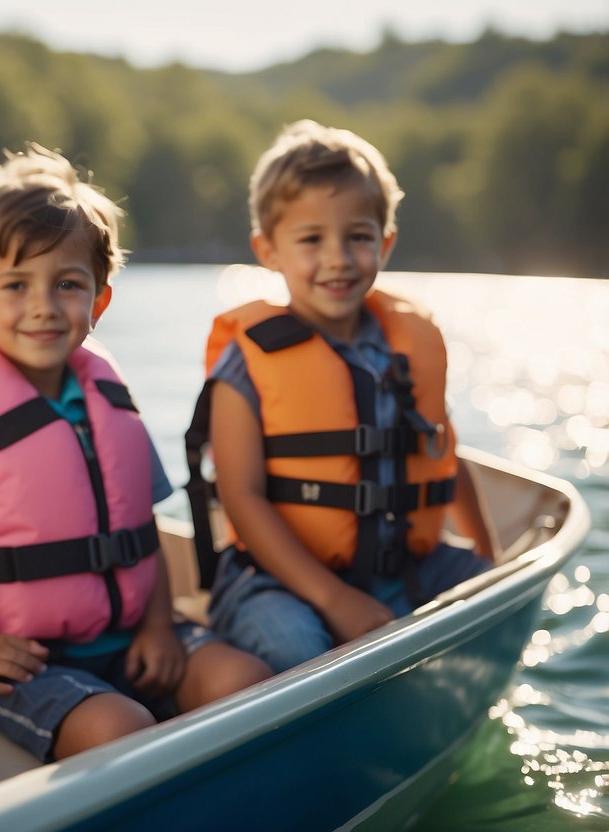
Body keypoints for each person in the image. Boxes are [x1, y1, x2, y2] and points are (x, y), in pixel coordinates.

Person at [0, 143, 272, 764]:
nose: (43, 305)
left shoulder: (107, 400)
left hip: (129, 636)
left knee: (246, 681)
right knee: (122, 727)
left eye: (67, 284)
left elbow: (141, 529)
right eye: (16, 284)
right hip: (18, 664)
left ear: (99, 299)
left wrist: (156, 625)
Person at [188, 120, 501, 675]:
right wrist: (335, 600)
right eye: (311, 240)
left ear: (385, 242)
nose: (337, 258)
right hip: (273, 579)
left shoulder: (406, 349)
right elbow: (241, 497)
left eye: (357, 237)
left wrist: (487, 555)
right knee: (296, 649)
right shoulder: (246, 362)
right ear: (269, 250)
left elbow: (443, 453)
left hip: (407, 565)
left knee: (491, 598)